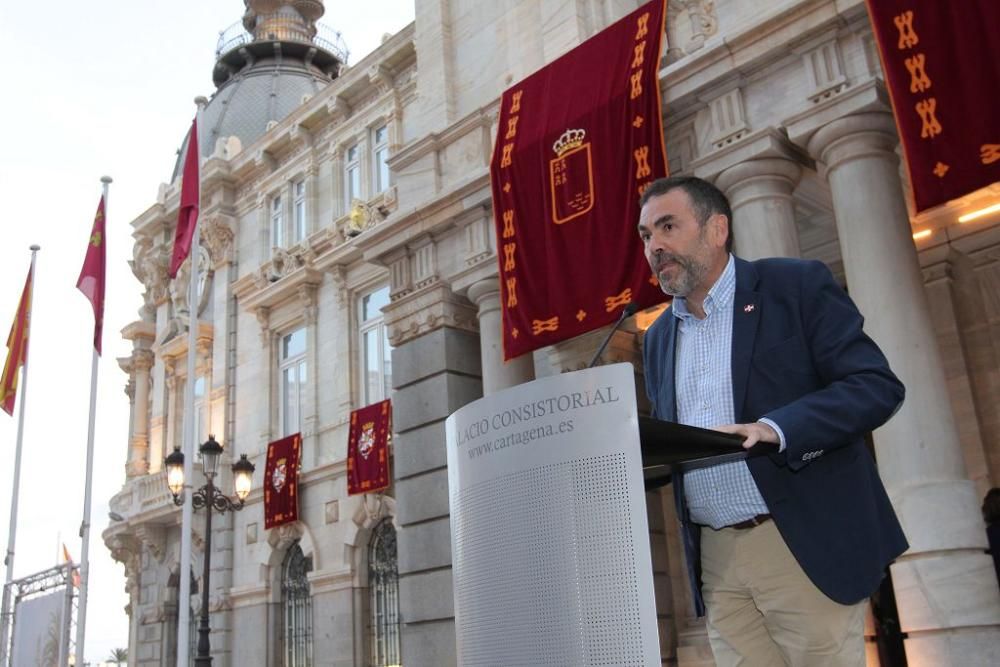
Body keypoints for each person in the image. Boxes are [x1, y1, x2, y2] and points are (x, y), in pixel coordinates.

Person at [638, 176, 908, 666]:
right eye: (646, 236)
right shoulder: (657, 337)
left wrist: (775, 429)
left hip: (796, 539)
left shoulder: (794, 286)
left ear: (717, 229)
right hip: (716, 557)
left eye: (668, 227)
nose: (655, 246)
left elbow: (874, 386)